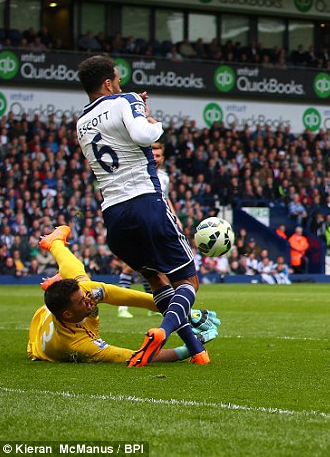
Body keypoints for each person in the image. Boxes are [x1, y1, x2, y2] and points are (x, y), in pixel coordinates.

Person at [76, 53, 208, 367]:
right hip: (145, 201)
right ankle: (162, 331)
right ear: (108, 82)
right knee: (188, 282)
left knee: (155, 280)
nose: (121, 84)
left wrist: (131, 106)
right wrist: (149, 118)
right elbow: (142, 134)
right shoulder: (125, 100)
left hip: (113, 214)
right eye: (118, 80)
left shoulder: (80, 123)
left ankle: (198, 352)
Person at [28, 226, 218, 363]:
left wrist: (182, 311)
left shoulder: (82, 296)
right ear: (68, 314)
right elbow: (135, 355)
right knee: (83, 283)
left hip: (52, 311)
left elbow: (126, 296)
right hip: (39, 340)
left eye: (84, 297)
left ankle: (55, 244)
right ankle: (57, 268)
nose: (88, 300)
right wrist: (186, 349)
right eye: (81, 302)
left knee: (83, 282)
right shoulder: (78, 345)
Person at [117, 140, 172, 318]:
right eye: (153, 154)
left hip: (156, 223)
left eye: (158, 155)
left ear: (163, 158)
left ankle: (153, 304)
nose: (155, 158)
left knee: (153, 267)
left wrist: (174, 217)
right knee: (129, 265)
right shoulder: (139, 172)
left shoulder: (164, 178)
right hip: (138, 221)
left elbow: (165, 199)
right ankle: (122, 307)